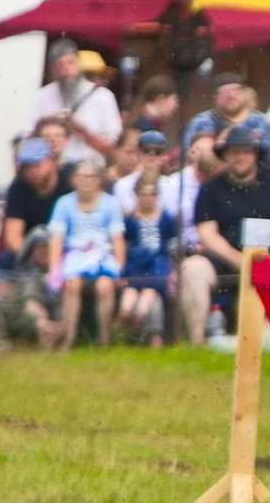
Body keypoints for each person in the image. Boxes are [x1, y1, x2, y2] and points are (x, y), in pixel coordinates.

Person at [180, 127, 270, 344]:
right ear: (225, 155)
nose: (240, 157)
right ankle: (197, 342)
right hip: (227, 261)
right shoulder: (211, 188)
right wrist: (239, 260)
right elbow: (207, 233)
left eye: (246, 151)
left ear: (255, 154)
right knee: (192, 268)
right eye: (235, 152)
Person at [46, 159, 126, 349]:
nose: (87, 181)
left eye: (91, 177)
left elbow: (117, 239)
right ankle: (69, 337)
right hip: (75, 256)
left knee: (104, 287)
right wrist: (53, 268)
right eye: (82, 177)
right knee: (72, 285)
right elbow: (57, 239)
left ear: (99, 179)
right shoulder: (64, 203)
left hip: (102, 257)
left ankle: (104, 340)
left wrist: (120, 268)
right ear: (74, 179)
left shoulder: (111, 204)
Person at [29, 39, 122, 166]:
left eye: (70, 62)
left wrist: (80, 130)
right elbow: (29, 141)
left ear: (79, 63)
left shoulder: (103, 97)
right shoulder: (42, 96)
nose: (66, 69)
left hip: (91, 169)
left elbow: (113, 148)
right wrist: (47, 123)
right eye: (60, 65)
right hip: (55, 170)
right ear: (53, 69)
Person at [119, 174, 178, 347]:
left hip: (157, 267)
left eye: (152, 194)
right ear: (136, 195)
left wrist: (173, 268)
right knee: (129, 298)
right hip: (135, 266)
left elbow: (172, 246)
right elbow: (124, 244)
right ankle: (124, 321)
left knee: (148, 296)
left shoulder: (166, 219)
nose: (148, 198)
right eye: (143, 194)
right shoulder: (129, 220)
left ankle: (140, 322)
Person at [183, 73, 270, 171]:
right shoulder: (199, 123)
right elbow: (185, 159)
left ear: (245, 94)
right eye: (224, 92)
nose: (231, 95)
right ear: (215, 97)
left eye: (236, 91)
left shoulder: (263, 123)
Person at [0, 137, 69, 259]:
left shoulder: (69, 184)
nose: (32, 171)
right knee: (5, 259)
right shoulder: (18, 187)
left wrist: (55, 253)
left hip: (66, 249)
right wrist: (32, 254)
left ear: (52, 161)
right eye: (27, 167)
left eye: (37, 165)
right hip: (30, 248)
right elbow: (13, 237)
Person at [111, 129, 173, 216]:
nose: (152, 154)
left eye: (158, 151)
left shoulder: (173, 185)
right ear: (138, 154)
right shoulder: (122, 185)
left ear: (165, 156)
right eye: (146, 150)